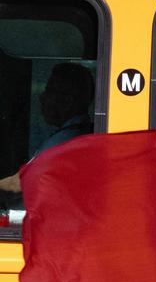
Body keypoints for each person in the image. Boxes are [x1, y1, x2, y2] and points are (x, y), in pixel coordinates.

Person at [0, 62, 95, 194]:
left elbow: (21, 184)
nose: (42, 97)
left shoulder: (62, 142)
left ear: (68, 101)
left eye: (49, 91)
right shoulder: (78, 133)